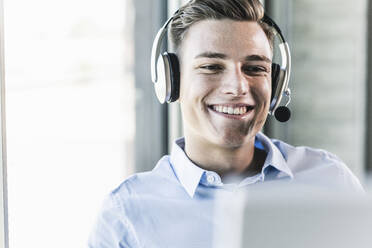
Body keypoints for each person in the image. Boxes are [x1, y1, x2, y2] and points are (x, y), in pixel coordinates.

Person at [88, 0, 364, 247]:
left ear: (276, 85)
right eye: (211, 67)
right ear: (171, 81)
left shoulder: (330, 180)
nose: (237, 87)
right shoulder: (126, 214)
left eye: (255, 68)